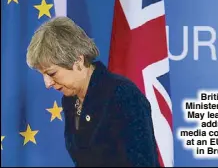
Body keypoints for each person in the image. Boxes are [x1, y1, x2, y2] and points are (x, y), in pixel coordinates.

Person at [26, 16, 160, 167]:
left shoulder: (122, 94)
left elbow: (142, 163)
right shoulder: (70, 99)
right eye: (43, 75)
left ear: (78, 61)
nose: (47, 84)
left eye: (51, 74)